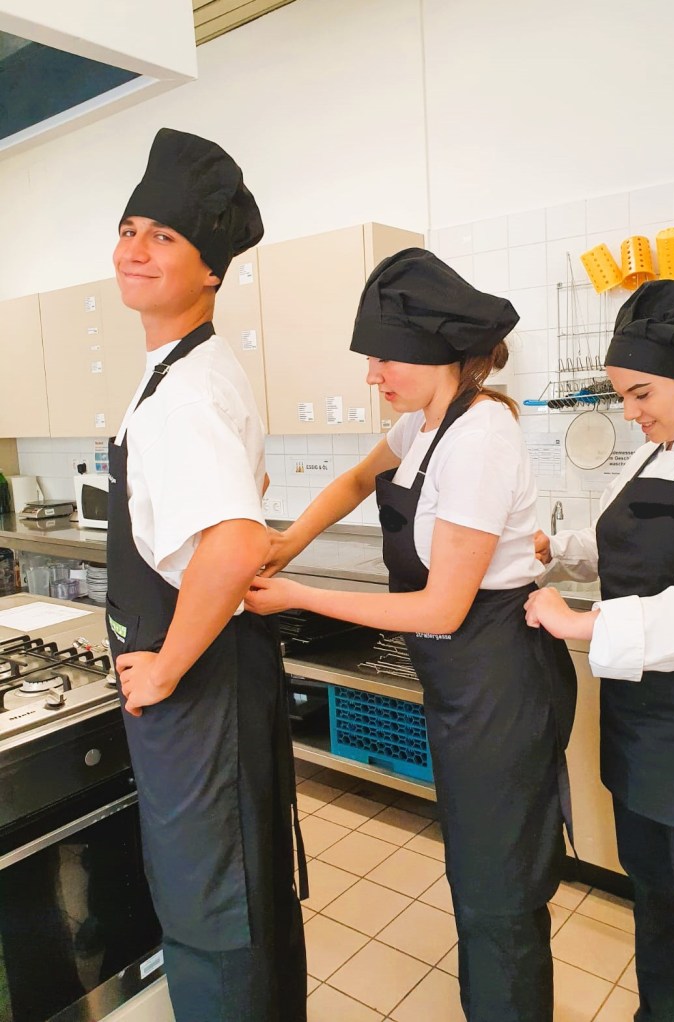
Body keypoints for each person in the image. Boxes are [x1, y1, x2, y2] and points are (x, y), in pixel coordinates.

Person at [246, 248, 577, 1022]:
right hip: (461, 687)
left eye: (383, 358)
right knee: (477, 868)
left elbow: (440, 609)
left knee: (499, 888)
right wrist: (286, 542)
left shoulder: (480, 437)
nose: (371, 375)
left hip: (498, 681)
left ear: (436, 353)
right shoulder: (421, 426)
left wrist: (297, 595)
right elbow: (353, 480)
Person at [104, 127, 307, 1022]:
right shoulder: (186, 369)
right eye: (129, 230)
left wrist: (163, 670)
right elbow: (240, 499)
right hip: (213, 682)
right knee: (236, 893)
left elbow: (230, 543)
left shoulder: (182, 392)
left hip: (197, 690)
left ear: (211, 270)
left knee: (212, 909)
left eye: (164, 237)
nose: (135, 249)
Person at [525, 279, 674, 1022]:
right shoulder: (648, 455)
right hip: (639, 729)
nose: (631, 412)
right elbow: (610, 540)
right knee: (654, 898)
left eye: (642, 394)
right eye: (621, 396)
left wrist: (582, 625)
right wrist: (555, 551)